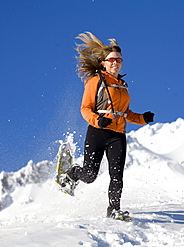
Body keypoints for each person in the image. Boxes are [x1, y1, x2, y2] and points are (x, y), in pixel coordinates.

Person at [63, 32, 155, 219]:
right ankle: (73, 173)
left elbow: (125, 113)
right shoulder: (96, 81)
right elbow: (85, 108)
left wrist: (142, 118)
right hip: (98, 131)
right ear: (104, 62)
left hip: (117, 135)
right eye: (112, 59)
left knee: (117, 175)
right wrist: (98, 120)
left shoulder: (123, 85)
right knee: (89, 176)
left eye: (119, 59)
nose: (116, 62)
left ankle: (113, 210)